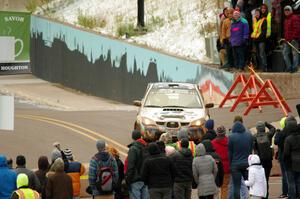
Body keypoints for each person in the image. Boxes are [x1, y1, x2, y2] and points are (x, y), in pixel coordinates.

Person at [228, 120, 253, 199]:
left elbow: (230, 153)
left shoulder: (231, 137)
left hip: (235, 164)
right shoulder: (249, 136)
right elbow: (250, 150)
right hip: (247, 163)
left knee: (236, 186)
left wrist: (230, 164)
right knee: (248, 184)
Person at [253, 121, 276, 199]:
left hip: (259, 162)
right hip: (268, 161)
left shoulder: (254, 137)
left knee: (259, 181)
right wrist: (266, 123)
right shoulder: (268, 135)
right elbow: (273, 129)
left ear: (257, 129)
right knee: (266, 179)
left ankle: (260, 195)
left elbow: (254, 148)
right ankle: (266, 195)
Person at [125, 130, 148, 199]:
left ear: (133, 137)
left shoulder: (133, 149)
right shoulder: (146, 147)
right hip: (145, 179)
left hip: (135, 180)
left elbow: (130, 166)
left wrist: (128, 179)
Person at [283, 116, 300, 198]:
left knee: (291, 182)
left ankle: (292, 196)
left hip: (290, 163)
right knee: (299, 181)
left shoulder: (288, 139)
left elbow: (286, 153)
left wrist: (284, 161)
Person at [212, 126, 230, 199]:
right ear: (224, 133)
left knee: (215, 188)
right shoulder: (229, 142)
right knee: (225, 187)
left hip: (216, 167)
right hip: (226, 167)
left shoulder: (212, 142)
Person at [282, 5, 300, 73]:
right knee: (285, 53)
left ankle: (295, 68)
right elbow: (286, 30)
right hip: (287, 40)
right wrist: (285, 38)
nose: (286, 11)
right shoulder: (286, 20)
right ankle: (289, 67)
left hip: (294, 40)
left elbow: (297, 29)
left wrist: (294, 37)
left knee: (295, 54)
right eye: (285, 10)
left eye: (288, 10)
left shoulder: (294, 18)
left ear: (291, 11)